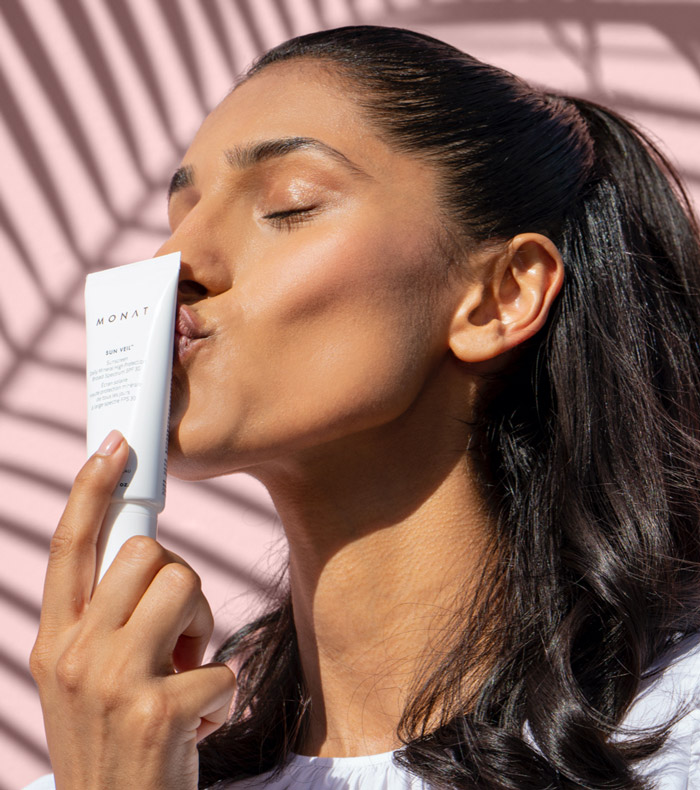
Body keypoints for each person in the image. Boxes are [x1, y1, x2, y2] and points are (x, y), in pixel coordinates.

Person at [25, 25, 700, 790]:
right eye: (179, 215)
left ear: (500, 297)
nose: (174, 263)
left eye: (288, 205)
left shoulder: (675, 737)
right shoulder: (115, 775)